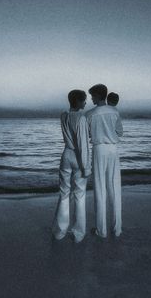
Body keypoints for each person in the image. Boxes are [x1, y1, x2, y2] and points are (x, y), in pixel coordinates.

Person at [52, 90, 91, 243]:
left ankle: (60, 231)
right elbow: (83, 145)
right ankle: (78, 233)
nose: (85, 103)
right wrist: (86, 168)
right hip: (77, 156)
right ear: (78, 101)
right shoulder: (81, 118)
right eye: (84, 100)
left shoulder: (63, 115)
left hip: (66, 154)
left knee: (64, 193)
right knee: (80, 195)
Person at [86, 84, 123, 238]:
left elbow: (87, 133)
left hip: (99, 149)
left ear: (98, 96)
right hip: (113, 150)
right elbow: (120, 132)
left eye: (93, 96)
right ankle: (117, 229)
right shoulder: (114, 111)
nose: (91, 98)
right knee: (114, 189)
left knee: (100, 189)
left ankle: (101, 231)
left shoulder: (89, 114)